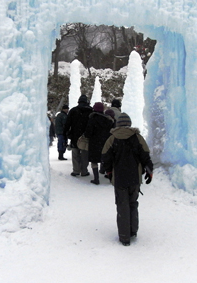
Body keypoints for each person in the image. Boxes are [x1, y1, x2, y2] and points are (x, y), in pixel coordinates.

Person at [101, 112, 153, 246]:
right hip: (134, 177)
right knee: (133, 203)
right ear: (129, 124)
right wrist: (149, 170)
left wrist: (108, 171)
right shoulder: (137, 137)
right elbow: (145, 156)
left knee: (122, 205)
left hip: (119, 178)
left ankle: (124, 236)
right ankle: (133, 231)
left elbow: (105, 158)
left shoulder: (112, 139)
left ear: (118, 124)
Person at [84, 102, 115, 185]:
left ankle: (96, 179)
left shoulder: (92, 118)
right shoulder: (108, 119)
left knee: (94, 161)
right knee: (106, 159)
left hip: (94, 143)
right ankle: (110, 177)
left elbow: (88, 133)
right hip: (106, 142)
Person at [64, 95, 93, 177]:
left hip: (74, 135)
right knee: (84, 153)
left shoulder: (73, 110)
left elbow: (67, 124)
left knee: (75, 153)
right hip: (86, 136)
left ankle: (76, 170)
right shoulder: (90, 111)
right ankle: (84, 170)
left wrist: (65, 133)